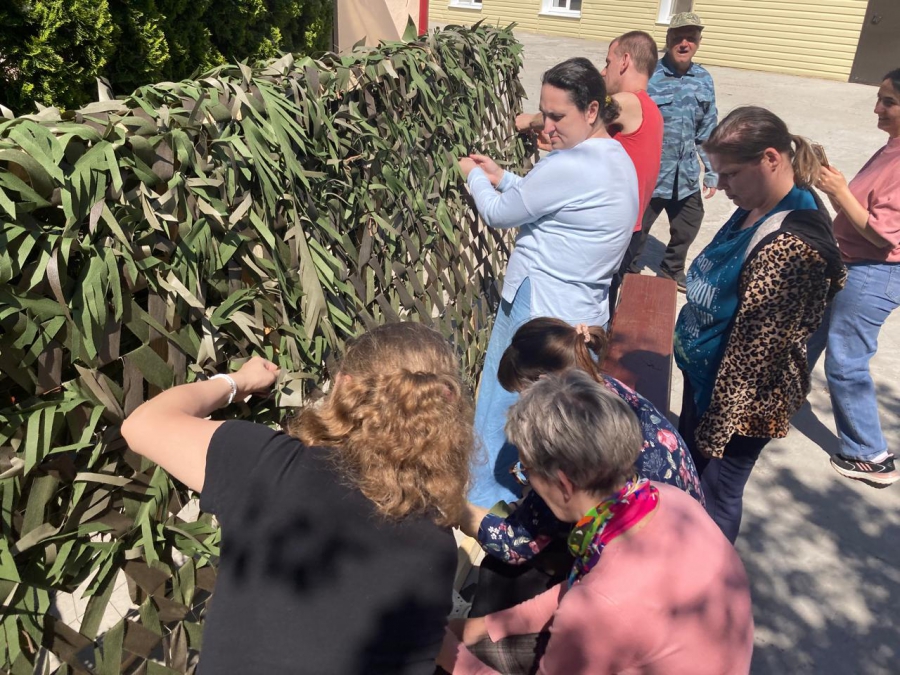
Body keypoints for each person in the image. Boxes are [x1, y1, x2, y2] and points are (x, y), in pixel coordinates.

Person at [120, 322, 474, 674]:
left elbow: (142, 425)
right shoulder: (438, 548)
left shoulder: (272, 466)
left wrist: (236, 382)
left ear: (344, 386)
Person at [438, 371, 754, 675]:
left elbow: (595, 604)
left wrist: (447, 655)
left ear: (563, 484)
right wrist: (482, 628)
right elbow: (574, 591)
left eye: (525, 470)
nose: (525, 481)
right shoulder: (665, 497)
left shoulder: (601, 605)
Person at [459, 57, 639, 507]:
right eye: (544, 113)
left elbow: (502, 214)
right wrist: (505, 177)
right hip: (581, 311)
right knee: (555, 422)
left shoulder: (569, 164)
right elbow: (558, 200)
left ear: (592, 110)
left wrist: (475, 178)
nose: (548, 126)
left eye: (558, 116)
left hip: (536, 309)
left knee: (506, 408)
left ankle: (484, 500)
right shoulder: (614, 157)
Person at [675, 106, 845, 543]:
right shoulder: (758, 202)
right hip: (707, 383)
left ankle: (709, 587)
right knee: (696, 485)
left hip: (737, 407)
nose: (720, 186)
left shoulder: (790, 247)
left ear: (770, 159)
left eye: (729, 174)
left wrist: (714, 432)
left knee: (717, 494)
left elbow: (754, 358)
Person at [460, 317, 704, 616]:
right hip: (682, 529)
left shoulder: (566, 445)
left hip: (654, 577)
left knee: (506, 571)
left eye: (522, 393)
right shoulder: (602, 391)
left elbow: (517, 545)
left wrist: (457, 511)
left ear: (546, 386)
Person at [515, 31, 665, 309]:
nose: (603, 71)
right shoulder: (651, 109)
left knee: (593, 305)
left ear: (625, 61)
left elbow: (579, 110)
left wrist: (530, 121)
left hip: (615, 228)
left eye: (608, 62)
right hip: (631, 225)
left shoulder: (632, 102)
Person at [808, 68, 900, 487]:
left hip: (874, 272)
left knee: (846, 363)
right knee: (811, 331)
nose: (877, 108)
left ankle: (870, 454)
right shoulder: (892, 147)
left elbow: (882, 234)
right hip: (851, 263)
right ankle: (781, 393)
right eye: (879, 98)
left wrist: (840, 191)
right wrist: (835, 187)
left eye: (889, 102)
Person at [627, 12, 718, 292]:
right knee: (637, 231)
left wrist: (712, 171)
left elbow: (708, 129)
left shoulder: (704, 79)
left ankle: (671, 269)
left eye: (691, 38)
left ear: (698, 42)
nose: (684, 43)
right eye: (678, 37)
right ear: (667, 40)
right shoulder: (648, 76)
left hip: (686, 173)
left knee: (689, 224)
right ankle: (627, 271)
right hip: (652, 172)